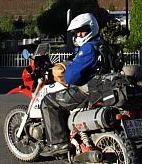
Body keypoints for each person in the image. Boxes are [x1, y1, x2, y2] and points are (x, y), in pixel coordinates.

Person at [40, 13, 103, 156]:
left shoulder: (88, 47)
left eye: (83, 30)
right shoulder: (101, 43)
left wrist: (65, 73)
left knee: (48, 101)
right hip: (101, 86)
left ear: (91, 29)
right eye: (77, 32)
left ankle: (58, 144)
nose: (79, 34)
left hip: (87, 89)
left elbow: (70, 77)